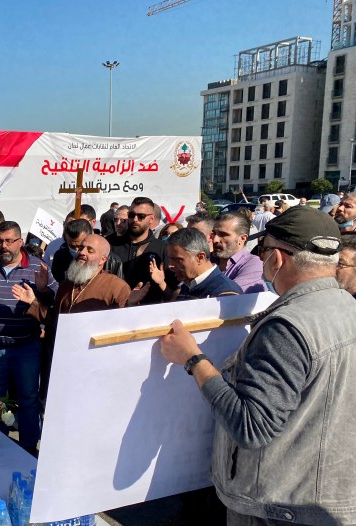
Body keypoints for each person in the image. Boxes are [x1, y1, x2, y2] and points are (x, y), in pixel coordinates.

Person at [160, 205, 356, 525]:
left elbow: (251, 427)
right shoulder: (346, 306)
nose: (261, 259)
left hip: (276, 505)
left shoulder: (288, 326)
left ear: (277, 258)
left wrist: (193, 359)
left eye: (263, 251)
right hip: (324, 495)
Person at [13, 233, 129, 404]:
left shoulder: (117, 287)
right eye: (81, 247)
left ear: (103, 259)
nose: (82, 252)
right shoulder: (67, 285)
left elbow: (123, 330)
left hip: (94, 366)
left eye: (90, 250)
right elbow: (55, 321)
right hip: (63, 362)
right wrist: (34, 302)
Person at [0, 220, 57, 455]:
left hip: (26, 347)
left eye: (9, 241)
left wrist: (40, 292)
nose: (4, 246)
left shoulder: (37, 268)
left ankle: (29, 447)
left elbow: (55, 299)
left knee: (28, 398)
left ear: (20, 242)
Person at [108, 197, 177, 304]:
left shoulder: (162, 249)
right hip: (113, 311)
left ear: (152, 219)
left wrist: (161, 283)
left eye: (141, 216)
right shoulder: (110, 243)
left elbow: (173, 295)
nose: (135, 219)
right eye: (131, 215)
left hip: (150, 314)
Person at [151, 228, 242, 301]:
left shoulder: (225, 294)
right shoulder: (187, 285)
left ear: (200, 257)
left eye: (178, 260)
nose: (170, 265)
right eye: (170, 259)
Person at [212, 212, 266, 293]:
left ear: (242, 239)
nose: (215, 240)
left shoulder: (254, 264)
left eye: (223, 235)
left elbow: (227, 295)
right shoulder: (208, 259)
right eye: (214, 234)